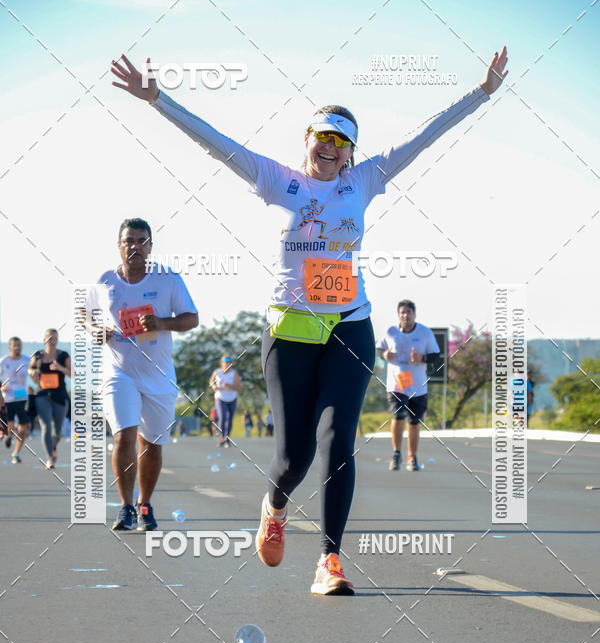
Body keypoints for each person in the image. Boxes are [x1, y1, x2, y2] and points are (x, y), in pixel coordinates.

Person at [111, 46, 508, 594]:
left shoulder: (364, 181)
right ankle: (275, 507)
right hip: (291, 334)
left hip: (350, 326)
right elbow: (214, 142)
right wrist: (157, 100)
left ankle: (329, 561)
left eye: (341, 141)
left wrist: (481, 93)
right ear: (307, 140)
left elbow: (425, 135)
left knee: (337, 441)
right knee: (293, 457)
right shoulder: (276, 180)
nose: (330, 147)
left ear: (350, 153)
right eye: (323, 136)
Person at [91, 218, 198, 532]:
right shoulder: (106, 280)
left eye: (141, 241)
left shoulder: (168, 279)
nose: (135, 247)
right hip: (118, 371)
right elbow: (85, 312)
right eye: (129, 241)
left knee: (151, 443)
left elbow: (192, 319)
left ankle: (145, 504)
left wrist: (163, 323)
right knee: (124, 434)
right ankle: (125, 507)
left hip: (158, 374)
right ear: (119, 245)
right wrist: (94, 329)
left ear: (150, 245)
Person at [377, 300, 440, 472]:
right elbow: (378, 349)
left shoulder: (425, 333)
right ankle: (396, 454)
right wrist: (384, 354)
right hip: (396, 384)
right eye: (403, 312)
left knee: (413, 422)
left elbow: (436, 356)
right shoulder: (390, 332)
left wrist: (422, 358)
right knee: (398, 417)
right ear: (398, 315)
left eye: (409, 312)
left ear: (414, 314)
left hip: (418, 385)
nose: (406, 315)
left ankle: (412, 457)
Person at [28, 329, 71, 469]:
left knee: (57, 431)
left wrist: (60, 368)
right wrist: (33, 372)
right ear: (44, 340)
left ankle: (53, 447)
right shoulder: (37, 355)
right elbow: (29, 369)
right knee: (45, 426)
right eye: (50, 338)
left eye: (56, 338)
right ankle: (50, 458)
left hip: (59, 395)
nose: (53, 341)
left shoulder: (63, 355)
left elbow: (73, 373)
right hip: (42, 395)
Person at [0, 337, 31, 464]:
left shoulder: (26, 360)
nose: (17, 347)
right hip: (7, 399)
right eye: (15, 345)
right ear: (10, 347)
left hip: (22, 397)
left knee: (23, 429)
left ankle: (16, 453)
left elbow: (34, 375)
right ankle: (9, 435)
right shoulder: (3, 361)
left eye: (19, 345)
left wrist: (33, 384)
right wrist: (2, 387)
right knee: (10, 426)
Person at [209, 355, 242, 447]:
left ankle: (227, 438)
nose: (227, 363)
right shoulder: (217, 372)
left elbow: (239, 388)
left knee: (230, 419)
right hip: (220, 398)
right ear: (222, 363)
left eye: (229, 361)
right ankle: (222, 437)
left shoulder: (234, 373)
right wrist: (213, 386)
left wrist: (229, 386)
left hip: (232, 399)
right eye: (225, 361)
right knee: (222, 418)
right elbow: (211, 381)